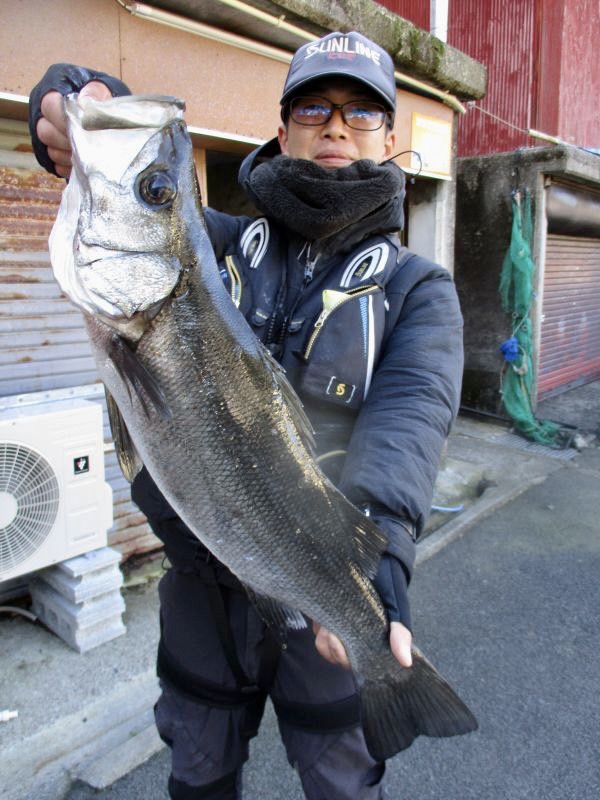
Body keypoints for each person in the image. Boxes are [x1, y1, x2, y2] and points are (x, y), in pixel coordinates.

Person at [29, 30, 464, 800]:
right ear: (281, 125)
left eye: (362, 110)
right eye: (313, 106)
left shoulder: (418, 288)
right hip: (201, 595)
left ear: (390, 137)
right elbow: (110, 139)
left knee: (341, 782)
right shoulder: (212, 247)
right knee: (198, 774)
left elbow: (408, 427)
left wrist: (379, 582)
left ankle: (386, 686)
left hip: (322, 584)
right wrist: (72, 96)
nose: (335, 125)